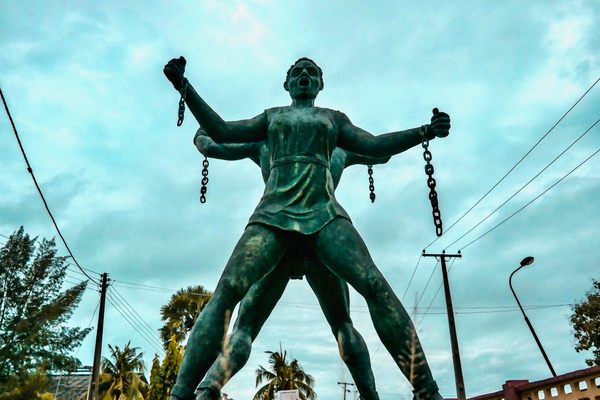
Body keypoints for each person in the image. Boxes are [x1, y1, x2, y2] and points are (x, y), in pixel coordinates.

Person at [163, 56, 451, 400]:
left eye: (311, 72)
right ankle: (187, 392)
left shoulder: (334, 124)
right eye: (297, 72)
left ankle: (423, 390)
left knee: (371, 288)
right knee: (229, 294)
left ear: (320, 84)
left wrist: (423, 132)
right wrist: (186, 89)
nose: (304, 75)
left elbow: (376, 148)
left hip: (324, 218)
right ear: (286, 83)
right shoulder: (271, 123)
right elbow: (219, 134)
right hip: (273, 219)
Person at [192, 128, 390, 400]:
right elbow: (381, 153)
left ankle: (208, 387)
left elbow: (213, 147)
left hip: (282, 236)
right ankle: (370, 395)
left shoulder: (269, 145)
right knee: (342, 324)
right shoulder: (336, 149)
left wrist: (202, 136)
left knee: (246, 327)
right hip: (319, 236)